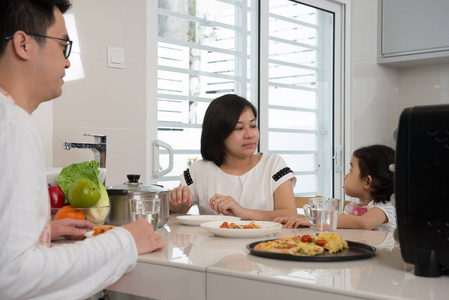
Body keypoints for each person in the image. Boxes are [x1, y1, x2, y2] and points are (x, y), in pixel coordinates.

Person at [0, 1, 166, 299]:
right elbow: (14, 276)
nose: (67, 62)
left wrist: (44, 229)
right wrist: (125, 242)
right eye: (63, 46)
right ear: (23, 44)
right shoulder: (12, 126)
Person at [169, 94, 298, 221]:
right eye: (239, 128)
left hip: (265, 242)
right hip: (213, 243)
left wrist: (244, 212)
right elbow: (176, 213)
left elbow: (290, 214)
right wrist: (175, 200)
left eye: (253, 126)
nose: (250, 134)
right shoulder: (200, 170)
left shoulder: (273, 165)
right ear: (218, 133)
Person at [274, 144, 396, 233]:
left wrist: (315, 219)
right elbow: (336, 224)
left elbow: (365, 223)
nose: (345, 176)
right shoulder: (352, 208)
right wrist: (300, 218)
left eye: (351, 170)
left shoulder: (383, 208)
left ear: (367, 182)